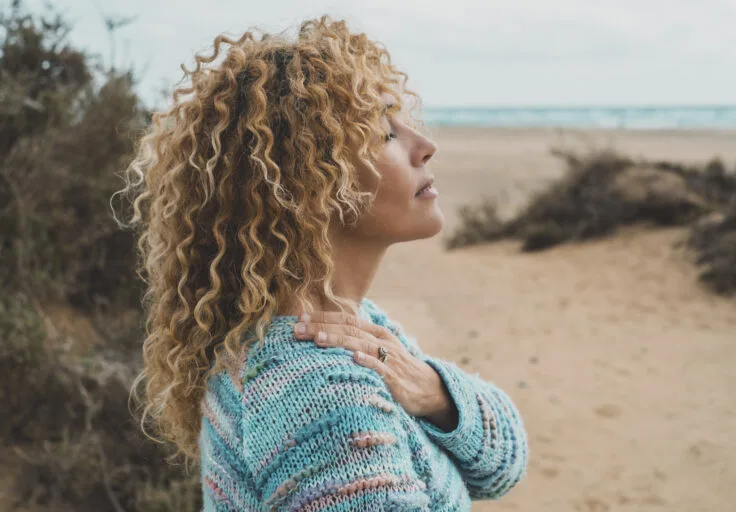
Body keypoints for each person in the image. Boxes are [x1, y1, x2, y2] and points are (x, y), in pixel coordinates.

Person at [117, 15, 528, 511]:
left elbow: (503, 466)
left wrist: (437, 393)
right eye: (383, 133)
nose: (424, 146)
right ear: (311, 186)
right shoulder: (321, 387)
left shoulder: (352, 331)